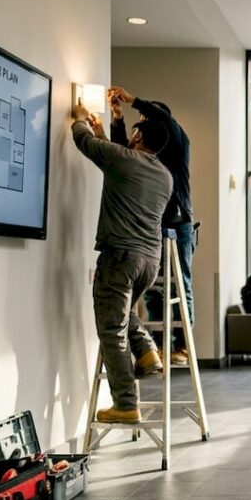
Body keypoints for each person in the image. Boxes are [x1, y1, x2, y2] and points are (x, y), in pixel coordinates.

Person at [71, 101, 172, 424]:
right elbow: (115, 155)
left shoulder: (123, 160)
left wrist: (79, 121)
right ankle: (145, 349)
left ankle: (126, 404)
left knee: (112, 329)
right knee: (124, 313)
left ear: (138, 137)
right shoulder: (163, 175)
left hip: (120, 257)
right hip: (149, 261)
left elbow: (85, 143)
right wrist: (104, 128)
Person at [108, 86, 195, 367]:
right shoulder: (145, 154)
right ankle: (158, 345)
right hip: (153, 224)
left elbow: (161, 119)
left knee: (180, 282)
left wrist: (134, 101)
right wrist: (117, 119)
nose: (141, 131)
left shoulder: (177, 142)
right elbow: (122, 156)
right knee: (156, 288)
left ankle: (183, 345)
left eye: (146, 125)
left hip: (179, 223)